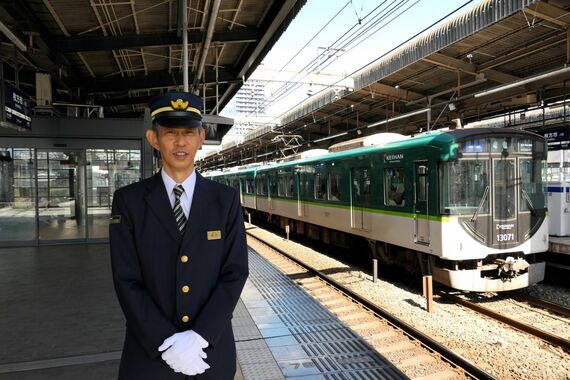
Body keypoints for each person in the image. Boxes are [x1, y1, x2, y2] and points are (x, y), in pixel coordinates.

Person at [109, 91, 249, 379]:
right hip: (149, 355)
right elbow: (126, 279)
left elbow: (235, 272)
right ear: (153, 139)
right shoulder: (129, 201)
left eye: (189, 132)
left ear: (201, 138)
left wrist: (199, 336)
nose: (181, 142)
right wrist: (165, 341)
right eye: (171, 132)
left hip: (209, 352)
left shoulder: (226, 199)